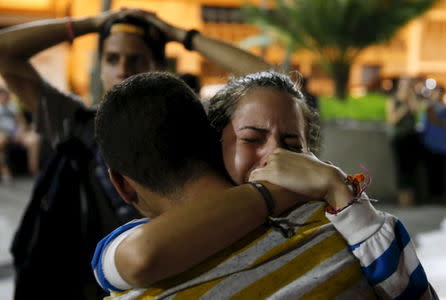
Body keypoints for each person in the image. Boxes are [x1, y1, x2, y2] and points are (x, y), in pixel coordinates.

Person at [0, 9, 271, 300]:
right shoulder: (74, 123)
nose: (123, 69)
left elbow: (269, 83)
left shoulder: (194, 125)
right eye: (112, 58)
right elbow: (4, 50)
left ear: (158, 67)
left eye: (136, 59)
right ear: (100, 65)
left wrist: (181, 36)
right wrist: (90, 24)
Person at [93, 72, 435, 299]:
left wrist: (338, 191)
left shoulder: (347, 225)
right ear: (216, 144)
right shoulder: (154, 243)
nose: (275, 155)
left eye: (293, 146)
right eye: (253, 138)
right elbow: (139, 257)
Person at [386, 77, 422, 207]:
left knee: (411, 169)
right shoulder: (394, 100)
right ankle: (403, 200)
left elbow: (416, 110)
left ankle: (411, 200)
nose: (407, 87)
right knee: (401, 169)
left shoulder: (412, 99)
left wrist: (411, 98)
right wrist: (404, 108)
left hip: (412, 138)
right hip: (399, 138)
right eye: (405, 85)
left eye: (409, 85)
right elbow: (392, 120)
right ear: (400, 85)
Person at [421, 86, 446, 203]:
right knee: (432, 171)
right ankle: (433, 196)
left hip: (442, 145)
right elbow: (434, 120)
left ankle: (440, 196)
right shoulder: (430, 107)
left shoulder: (444, 108)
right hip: (430, 144)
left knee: (441, 172)